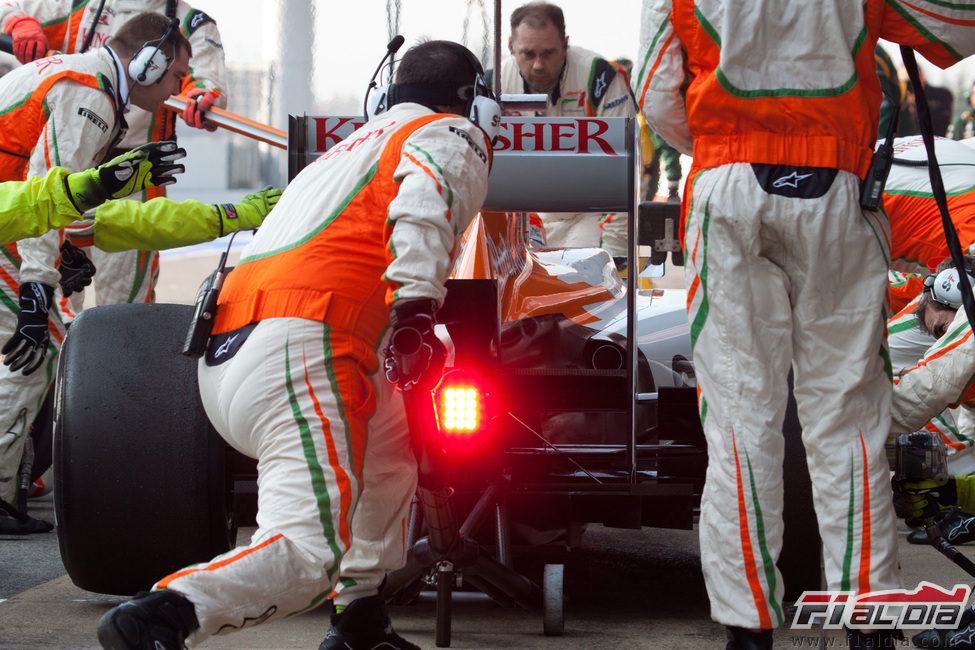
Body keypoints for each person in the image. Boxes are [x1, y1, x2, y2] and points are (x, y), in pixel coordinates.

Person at [95, 39, 497, 650]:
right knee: (309, 552)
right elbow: (423, 211)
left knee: (388, 451)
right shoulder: (448, 133)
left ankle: (360, 618)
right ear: (473, 102)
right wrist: (417, 313)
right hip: (305, 344)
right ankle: (167, 615)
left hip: (231, 353)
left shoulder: (347, 152)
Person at [636, 2, 975, 648]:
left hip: (727, 186)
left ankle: (747, 630)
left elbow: (656, 97)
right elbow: (953, 27)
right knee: (849, 425)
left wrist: (723, 152)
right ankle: (868, 625)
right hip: (837, 191)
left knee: (740, 420)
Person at [0, 141, 282, 533]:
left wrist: (234, 214)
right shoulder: (80, 98)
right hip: (18, 254)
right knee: (33, 356)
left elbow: (138, 221)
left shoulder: (66, 199)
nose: (174, 88)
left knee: (46, 352)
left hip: (32, 236)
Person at [0, 11, 191, 530]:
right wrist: (37, 292)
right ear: (149, 63)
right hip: (9, 225)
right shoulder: (92, 97)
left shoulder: (85, 79)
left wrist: (63, 256)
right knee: (34, 346)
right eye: (177, 76)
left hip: (8, 219)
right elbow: (48, 191)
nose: (179, 89)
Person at [0, 0, 228, 308]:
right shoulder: (79, 5)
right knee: (56, 295)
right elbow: (8, 6)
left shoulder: (193, 23)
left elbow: (206, 84)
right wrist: (18, 22)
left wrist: (203, 94)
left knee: (125, 304)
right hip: (70, 160)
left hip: (136, 174)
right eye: (173, 80)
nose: (173, 90)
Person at [498, 1, 636, 258]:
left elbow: (624, 172)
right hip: (522, 220)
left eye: (548, 53)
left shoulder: (601, 77)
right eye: (528, 54)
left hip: (585, 217)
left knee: (585, 285)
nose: (538, 65)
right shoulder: (494, 82)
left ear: (565, 44)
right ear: (511, 47)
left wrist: (616, 253)